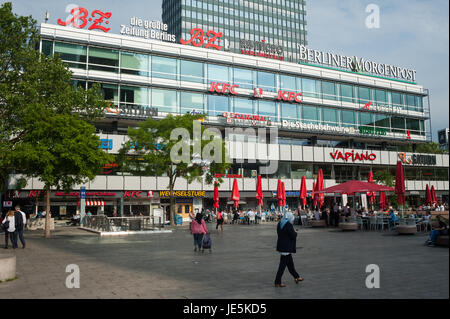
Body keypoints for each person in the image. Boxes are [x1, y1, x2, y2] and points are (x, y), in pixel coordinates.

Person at [274, 212, 303, 287]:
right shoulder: (288, 225)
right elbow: (293, 235)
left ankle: (296, 277)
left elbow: (280, 233)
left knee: (290, 264)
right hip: (286, 247)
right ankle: (277, 281)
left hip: (282, 246)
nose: (292, 221)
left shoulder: (280, 223)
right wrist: (295, 232)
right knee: (282, 266)